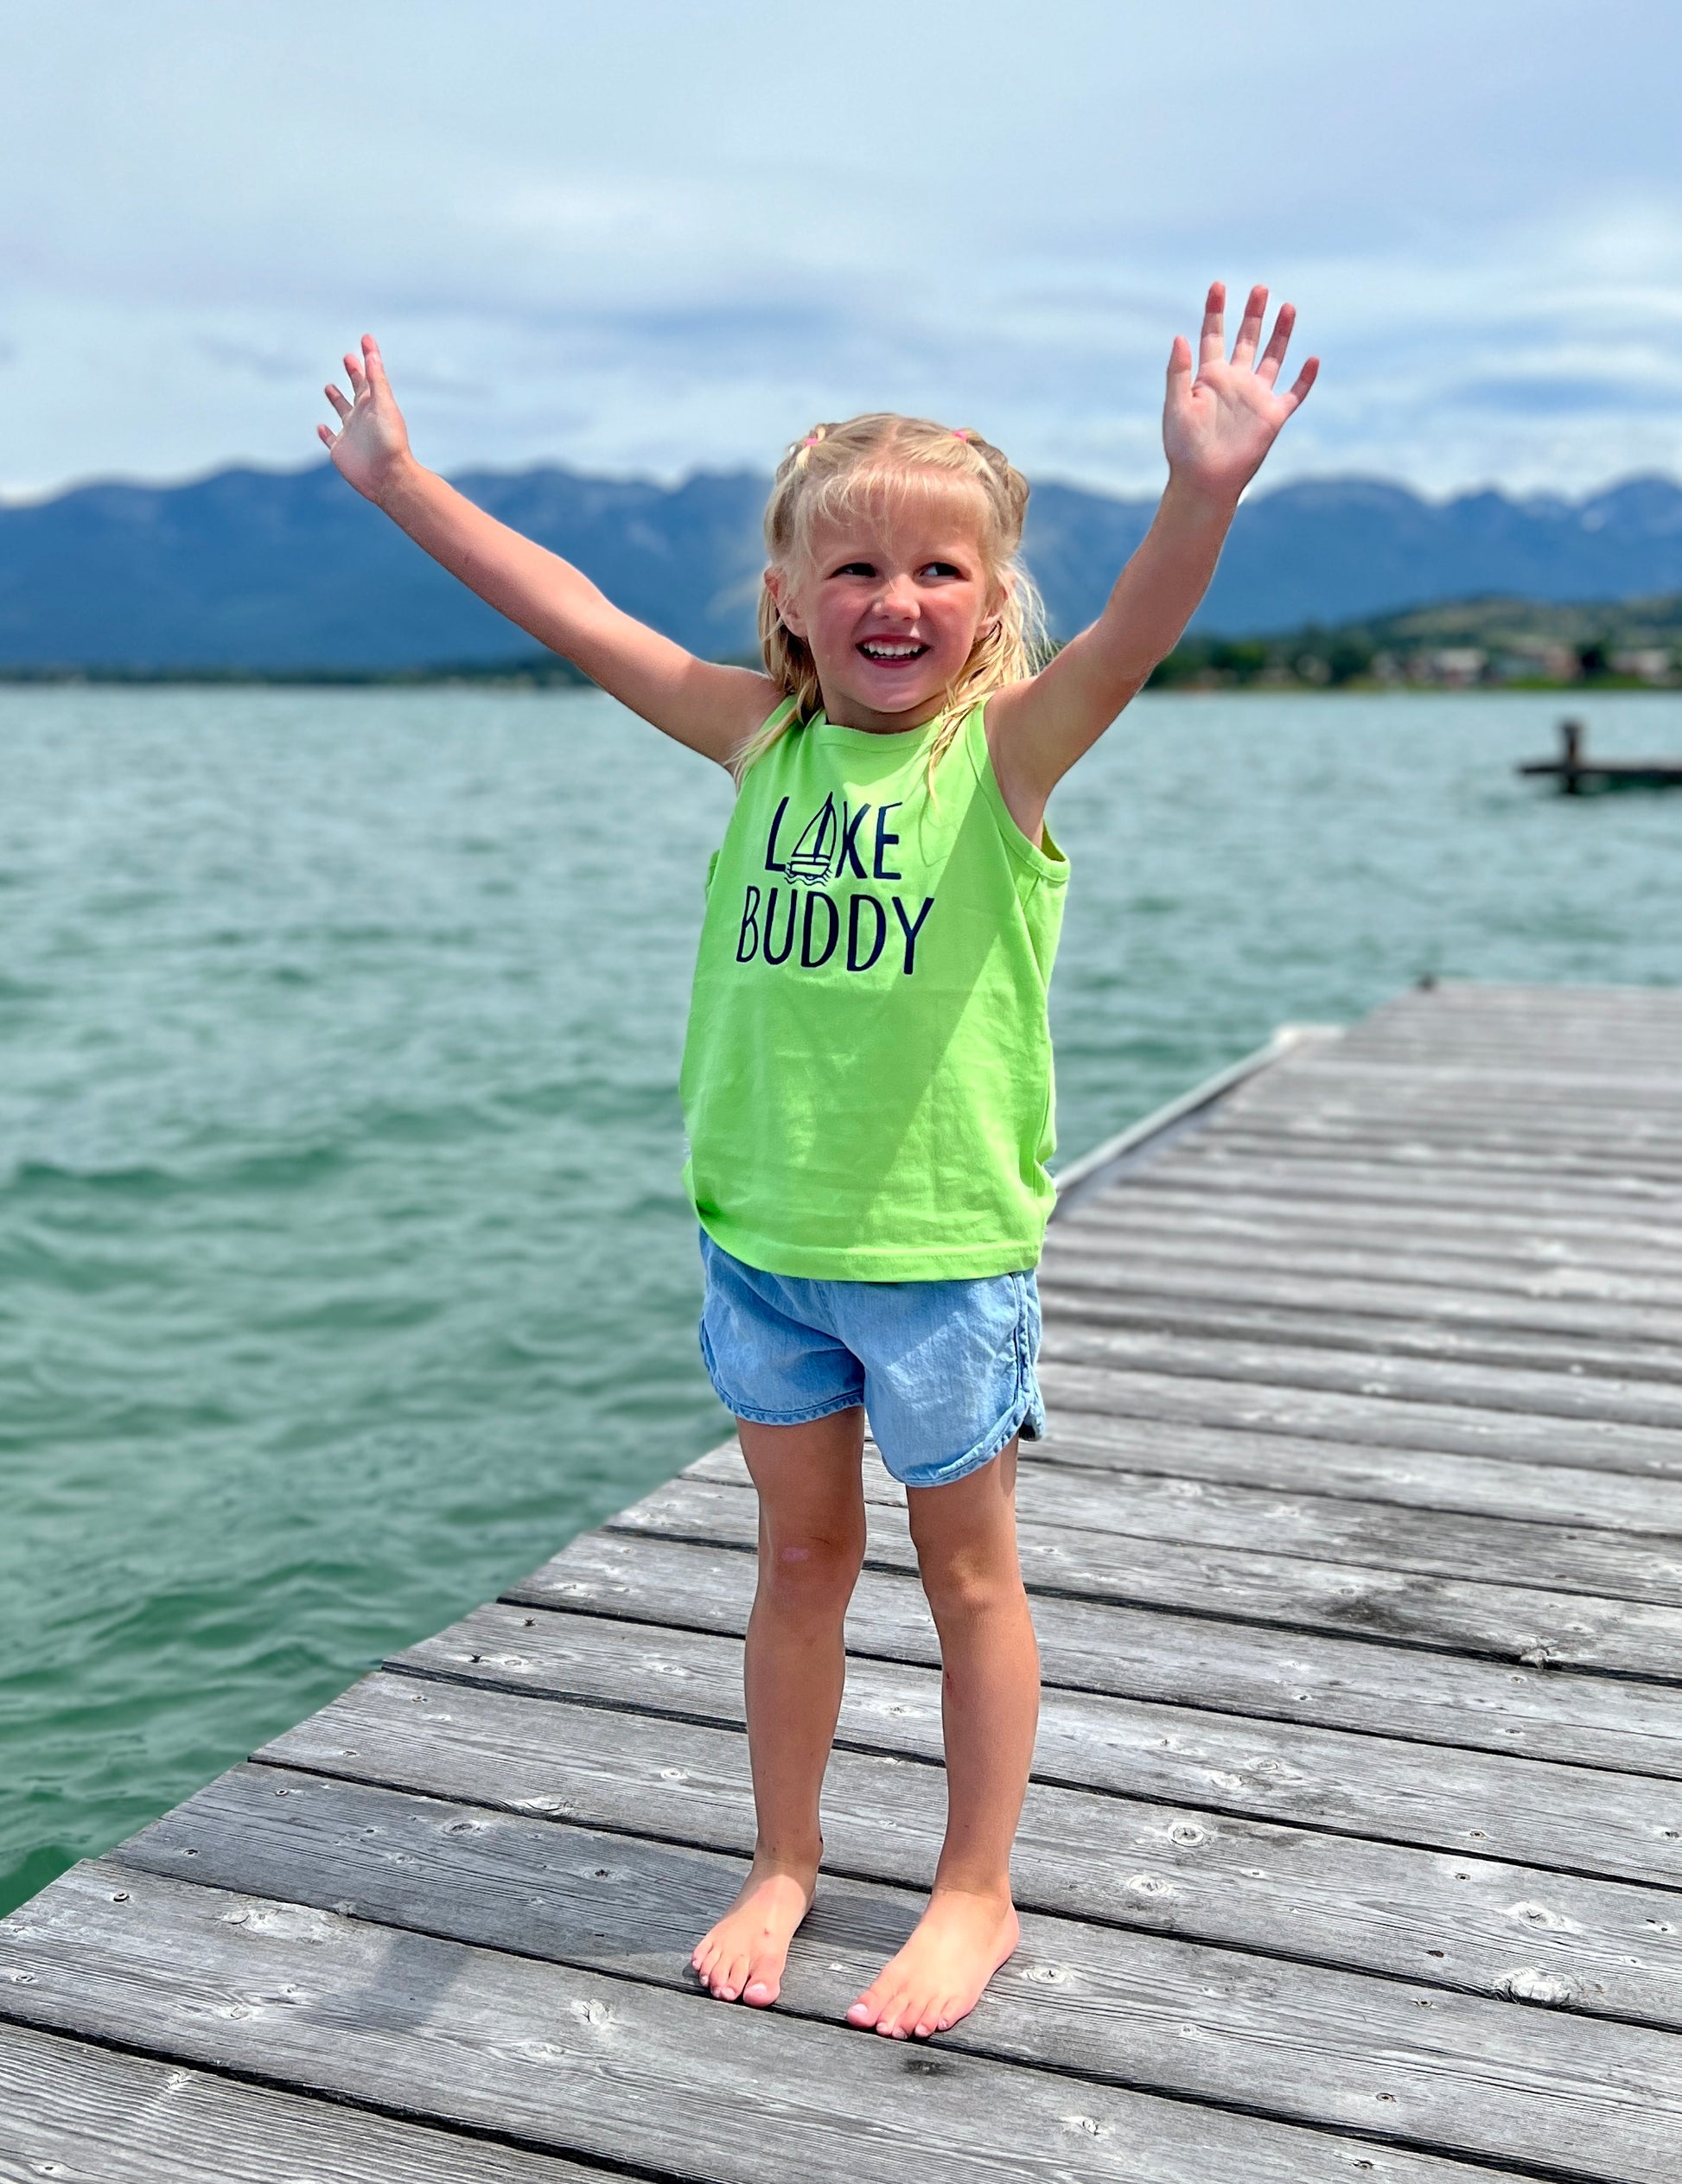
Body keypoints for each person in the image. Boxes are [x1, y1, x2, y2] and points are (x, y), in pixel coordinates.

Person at [318, 283, 1316, 2040]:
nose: (893, 599)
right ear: (785, 596)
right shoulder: (755, 738)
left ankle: (974, 1888)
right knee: (797, 1565)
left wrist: (1202, 490)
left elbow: (1137, 634)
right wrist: (402, 484)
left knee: (968, 1578)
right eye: (852, 568)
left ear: (989, 599)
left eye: (936, 568)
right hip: (764, 1246)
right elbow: (571, 609)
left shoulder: (1001, 757)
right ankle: (783, 1857)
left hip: (936, 1258)